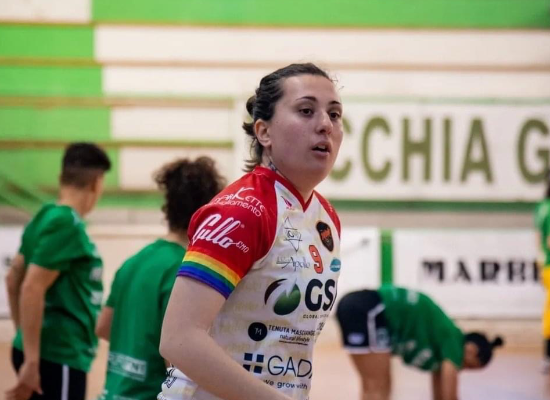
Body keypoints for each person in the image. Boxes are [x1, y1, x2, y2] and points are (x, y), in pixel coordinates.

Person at [158, 62, 344, 400]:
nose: (325, 125)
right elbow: (178, 339)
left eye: (334, 114)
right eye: (306, 110)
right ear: (264, 132)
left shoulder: (326, 218)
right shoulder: (243, 210)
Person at [95, 156, 226, 400]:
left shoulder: (134, 262)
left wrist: (136, 350)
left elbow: (103, 326)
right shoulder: (187, 270)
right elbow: (178, 357)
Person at [5, 143, 111, 400]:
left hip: (47, 353)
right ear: (96, 183)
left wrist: (24, 338)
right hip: (59, 354)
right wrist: (32, 359)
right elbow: (31, 286)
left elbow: (13, 278)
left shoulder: (44, 214)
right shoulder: (67, 224)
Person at [336, 285, 504, 400]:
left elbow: (440, 392)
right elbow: (449, 395)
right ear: (471, 350)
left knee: (374, 387)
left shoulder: (442, 341)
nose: (460, 369)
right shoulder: (453, 340)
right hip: (370, 309)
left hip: (362, 306)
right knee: (377, 386)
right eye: (468, 366)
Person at [534, 176, 550, 373]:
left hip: (546, 264)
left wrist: (540, 262)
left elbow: (539, 239)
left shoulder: (541, 207)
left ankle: (547, 356)